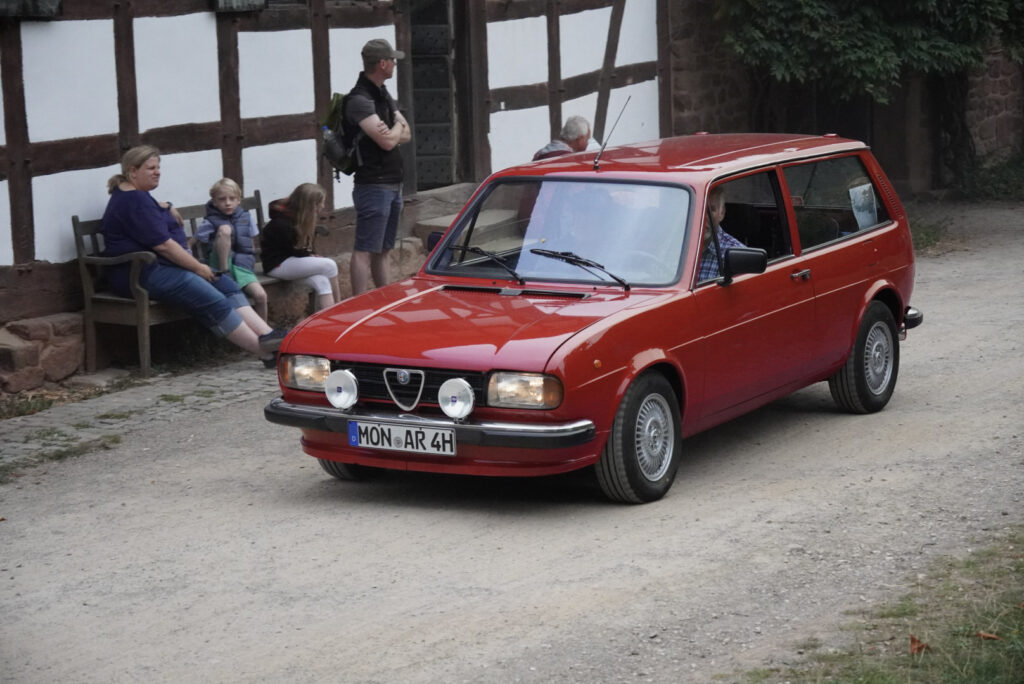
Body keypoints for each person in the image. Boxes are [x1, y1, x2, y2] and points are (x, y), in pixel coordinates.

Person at [101, 146, 285, 367]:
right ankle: (265, 351)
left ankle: (268, 334)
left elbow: (153, 218)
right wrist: (198, 268)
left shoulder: (137, 195)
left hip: (161, 268)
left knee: (223, 282)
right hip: (140, 273)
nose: (157, 172)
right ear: (132, 172)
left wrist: (167, 206)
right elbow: (164, 246)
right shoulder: (133, 201)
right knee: (208, 292)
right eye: (151, 168)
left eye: (158, 167)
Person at [345, 38, 412, 296]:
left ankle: (384, 297)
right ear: (382, 64)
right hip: (373, 184)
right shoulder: (360, 99)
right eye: (392, 60)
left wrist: (393, 131)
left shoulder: (382, 93)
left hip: (393, 182)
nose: (395, 64)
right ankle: (358, 302)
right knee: (365, 248)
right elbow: (387, 141)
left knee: (384, 248)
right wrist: (396, 128)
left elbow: (405, 135)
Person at [195, 178, 269, 322]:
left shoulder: (246, 218)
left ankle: (265, 332)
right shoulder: (210, 221)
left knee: (261, 296)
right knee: (225, 229)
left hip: (242, 266)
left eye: (232, 198)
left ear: (239, 200)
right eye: (222, 199)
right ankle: (225, 274)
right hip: (218, 264)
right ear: (214, 202)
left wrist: (251, 261)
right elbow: (195, 241)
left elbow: (251, 242)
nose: (228, 203)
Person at [260, 183, 341, 311]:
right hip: (277, 265)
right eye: (319, 203)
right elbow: (294, 249)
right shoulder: (281, 223)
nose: (322, 206)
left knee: (322, 281)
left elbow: (303, 247)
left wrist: (311, 254)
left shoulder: (300, 217)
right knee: (330, 265)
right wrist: (310, 256)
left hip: (293, 261)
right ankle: (340, 308)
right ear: (309, 204)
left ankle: (332, 318)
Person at [697, 186, 745, 282]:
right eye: (697, 208)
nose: (702, 217)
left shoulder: (736, 255)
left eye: (711, 210)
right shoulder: (670, 245)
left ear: (721, 213)